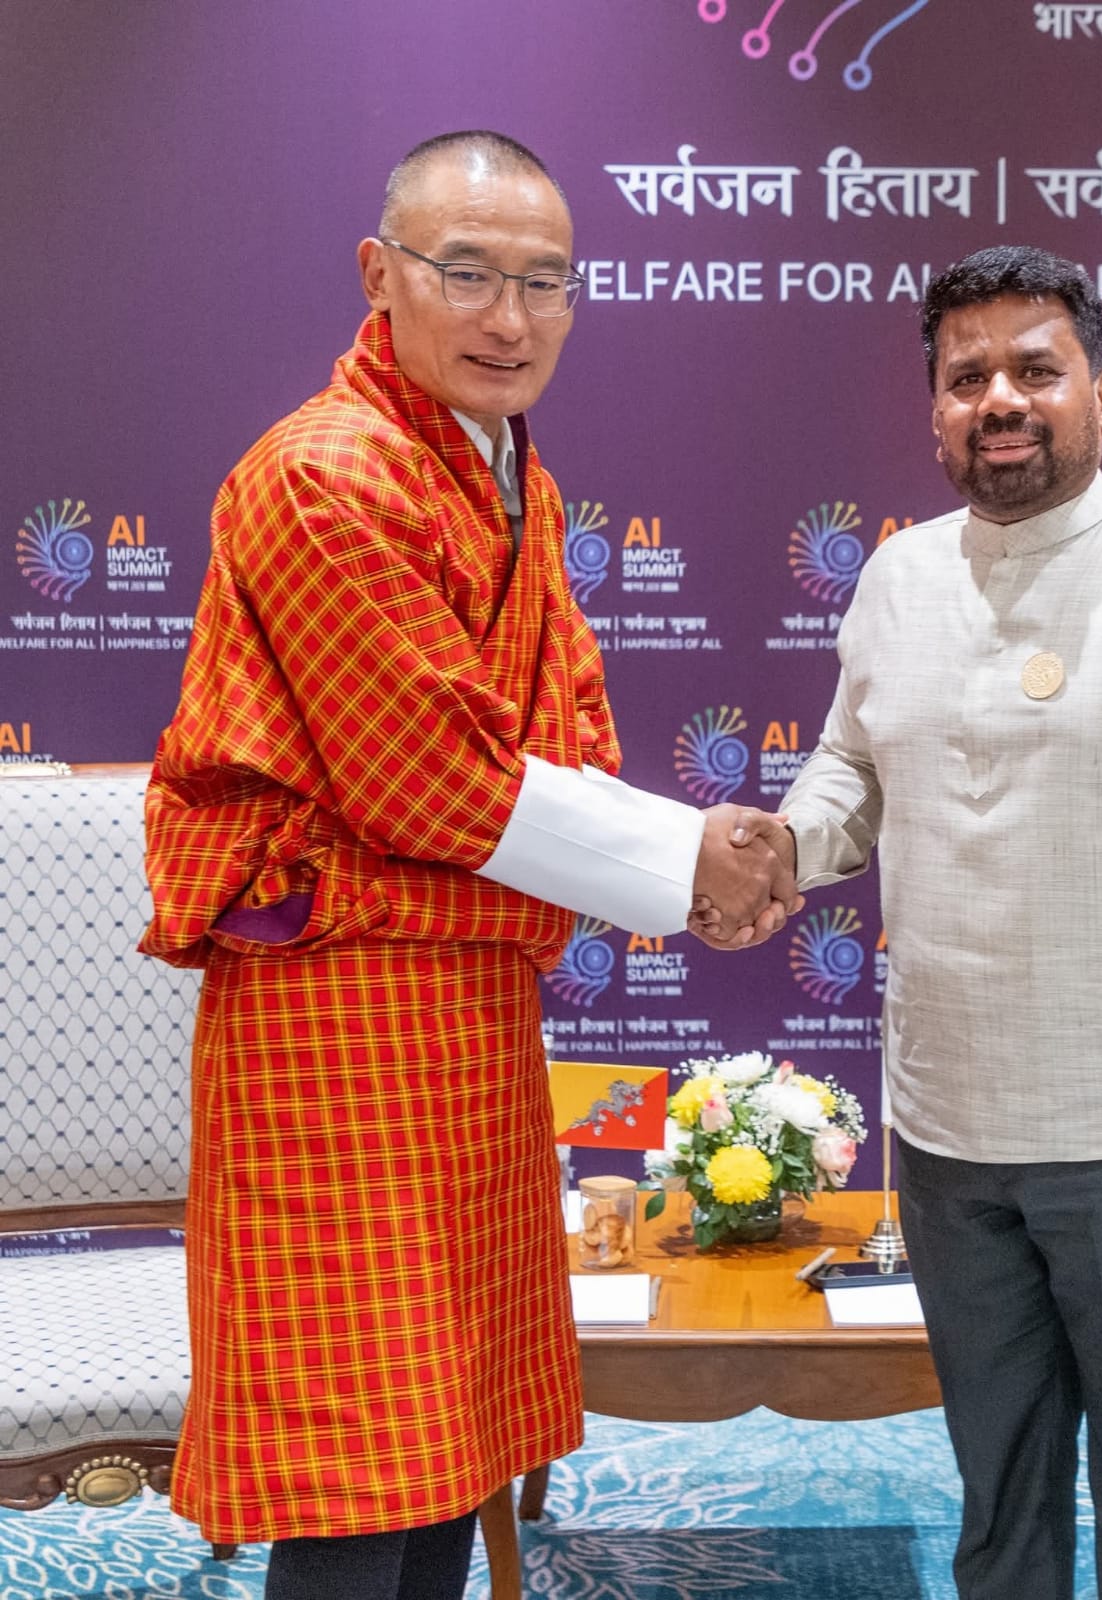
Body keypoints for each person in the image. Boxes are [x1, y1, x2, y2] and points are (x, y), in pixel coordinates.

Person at [141, 130, 793, 1600]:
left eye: (544, 283)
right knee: (355, 1455)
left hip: (469, 1002)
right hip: (331, 1017)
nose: (510, 319)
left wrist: (681, 859)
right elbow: (427, 771)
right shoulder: (320, 474)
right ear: (380, 276)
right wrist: (687, 860)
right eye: (468, 275)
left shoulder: (510, 479)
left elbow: (560, 733)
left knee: (446, 1439)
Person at [702, 246, 1102, 1599]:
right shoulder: (896, 579)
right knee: (997, 1501)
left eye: (1035, 371)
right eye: (967, 376)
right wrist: (780, 849)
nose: (1000, 398)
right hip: (949, 1134)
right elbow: (851, 772)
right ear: (935, 409)